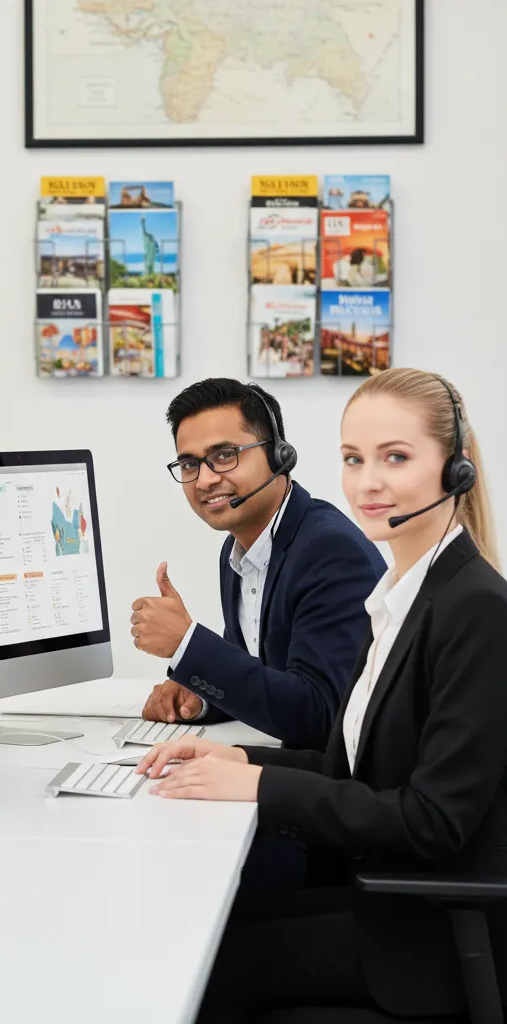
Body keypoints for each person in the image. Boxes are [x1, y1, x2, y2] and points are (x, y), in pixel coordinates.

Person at [137, 369, 507, 1021]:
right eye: (353, 459)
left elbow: (433, 821)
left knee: (190, 970)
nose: (367, 482)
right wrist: (240, 763)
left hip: (428, 937)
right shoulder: (400, 599)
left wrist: (260, 786)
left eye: (395, 457)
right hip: (385, 899)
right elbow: (350, 766)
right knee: (189, 928)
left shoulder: (475, 609)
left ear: (457, 471)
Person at [131, 379, 386, 751]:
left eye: (224, 455)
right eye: (189, 463)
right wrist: (199, 693)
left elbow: (320, 715)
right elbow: (261, 674)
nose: (204, 479)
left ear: (279, 455)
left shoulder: (329, 550)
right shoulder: (239, 550)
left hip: (347, 785)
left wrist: (186, 644)